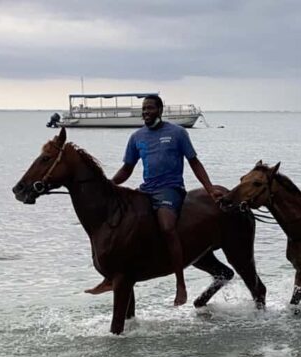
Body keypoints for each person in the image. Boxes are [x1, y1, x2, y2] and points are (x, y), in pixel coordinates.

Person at [85, 94, 226, 305]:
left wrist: (209, 188)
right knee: (124, 226)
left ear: (160, 110)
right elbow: (127, 169)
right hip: (146, 190)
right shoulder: (137, 137)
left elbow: (194, 162)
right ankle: (113, 276)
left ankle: (180, 284)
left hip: (171, 189)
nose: (146, 112)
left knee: (167, 226)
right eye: (143, 109)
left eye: (150, 108)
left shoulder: (177, 133)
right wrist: (109, 186)